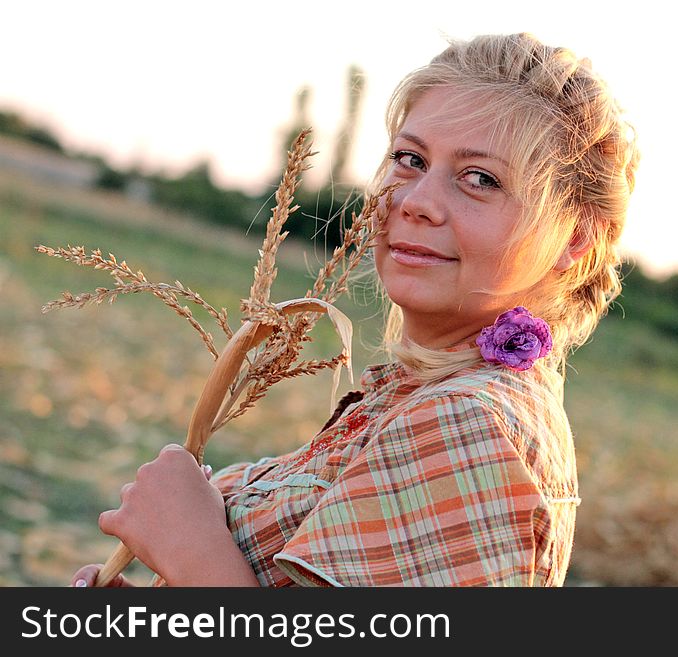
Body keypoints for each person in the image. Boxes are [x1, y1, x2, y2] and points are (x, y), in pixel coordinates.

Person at [71, 32, 639, 587]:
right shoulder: (425, 394)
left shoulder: (473, 420)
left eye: (480, 179)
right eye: (409, 159)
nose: (415, 202)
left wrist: (191, 548)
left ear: (575, 238)